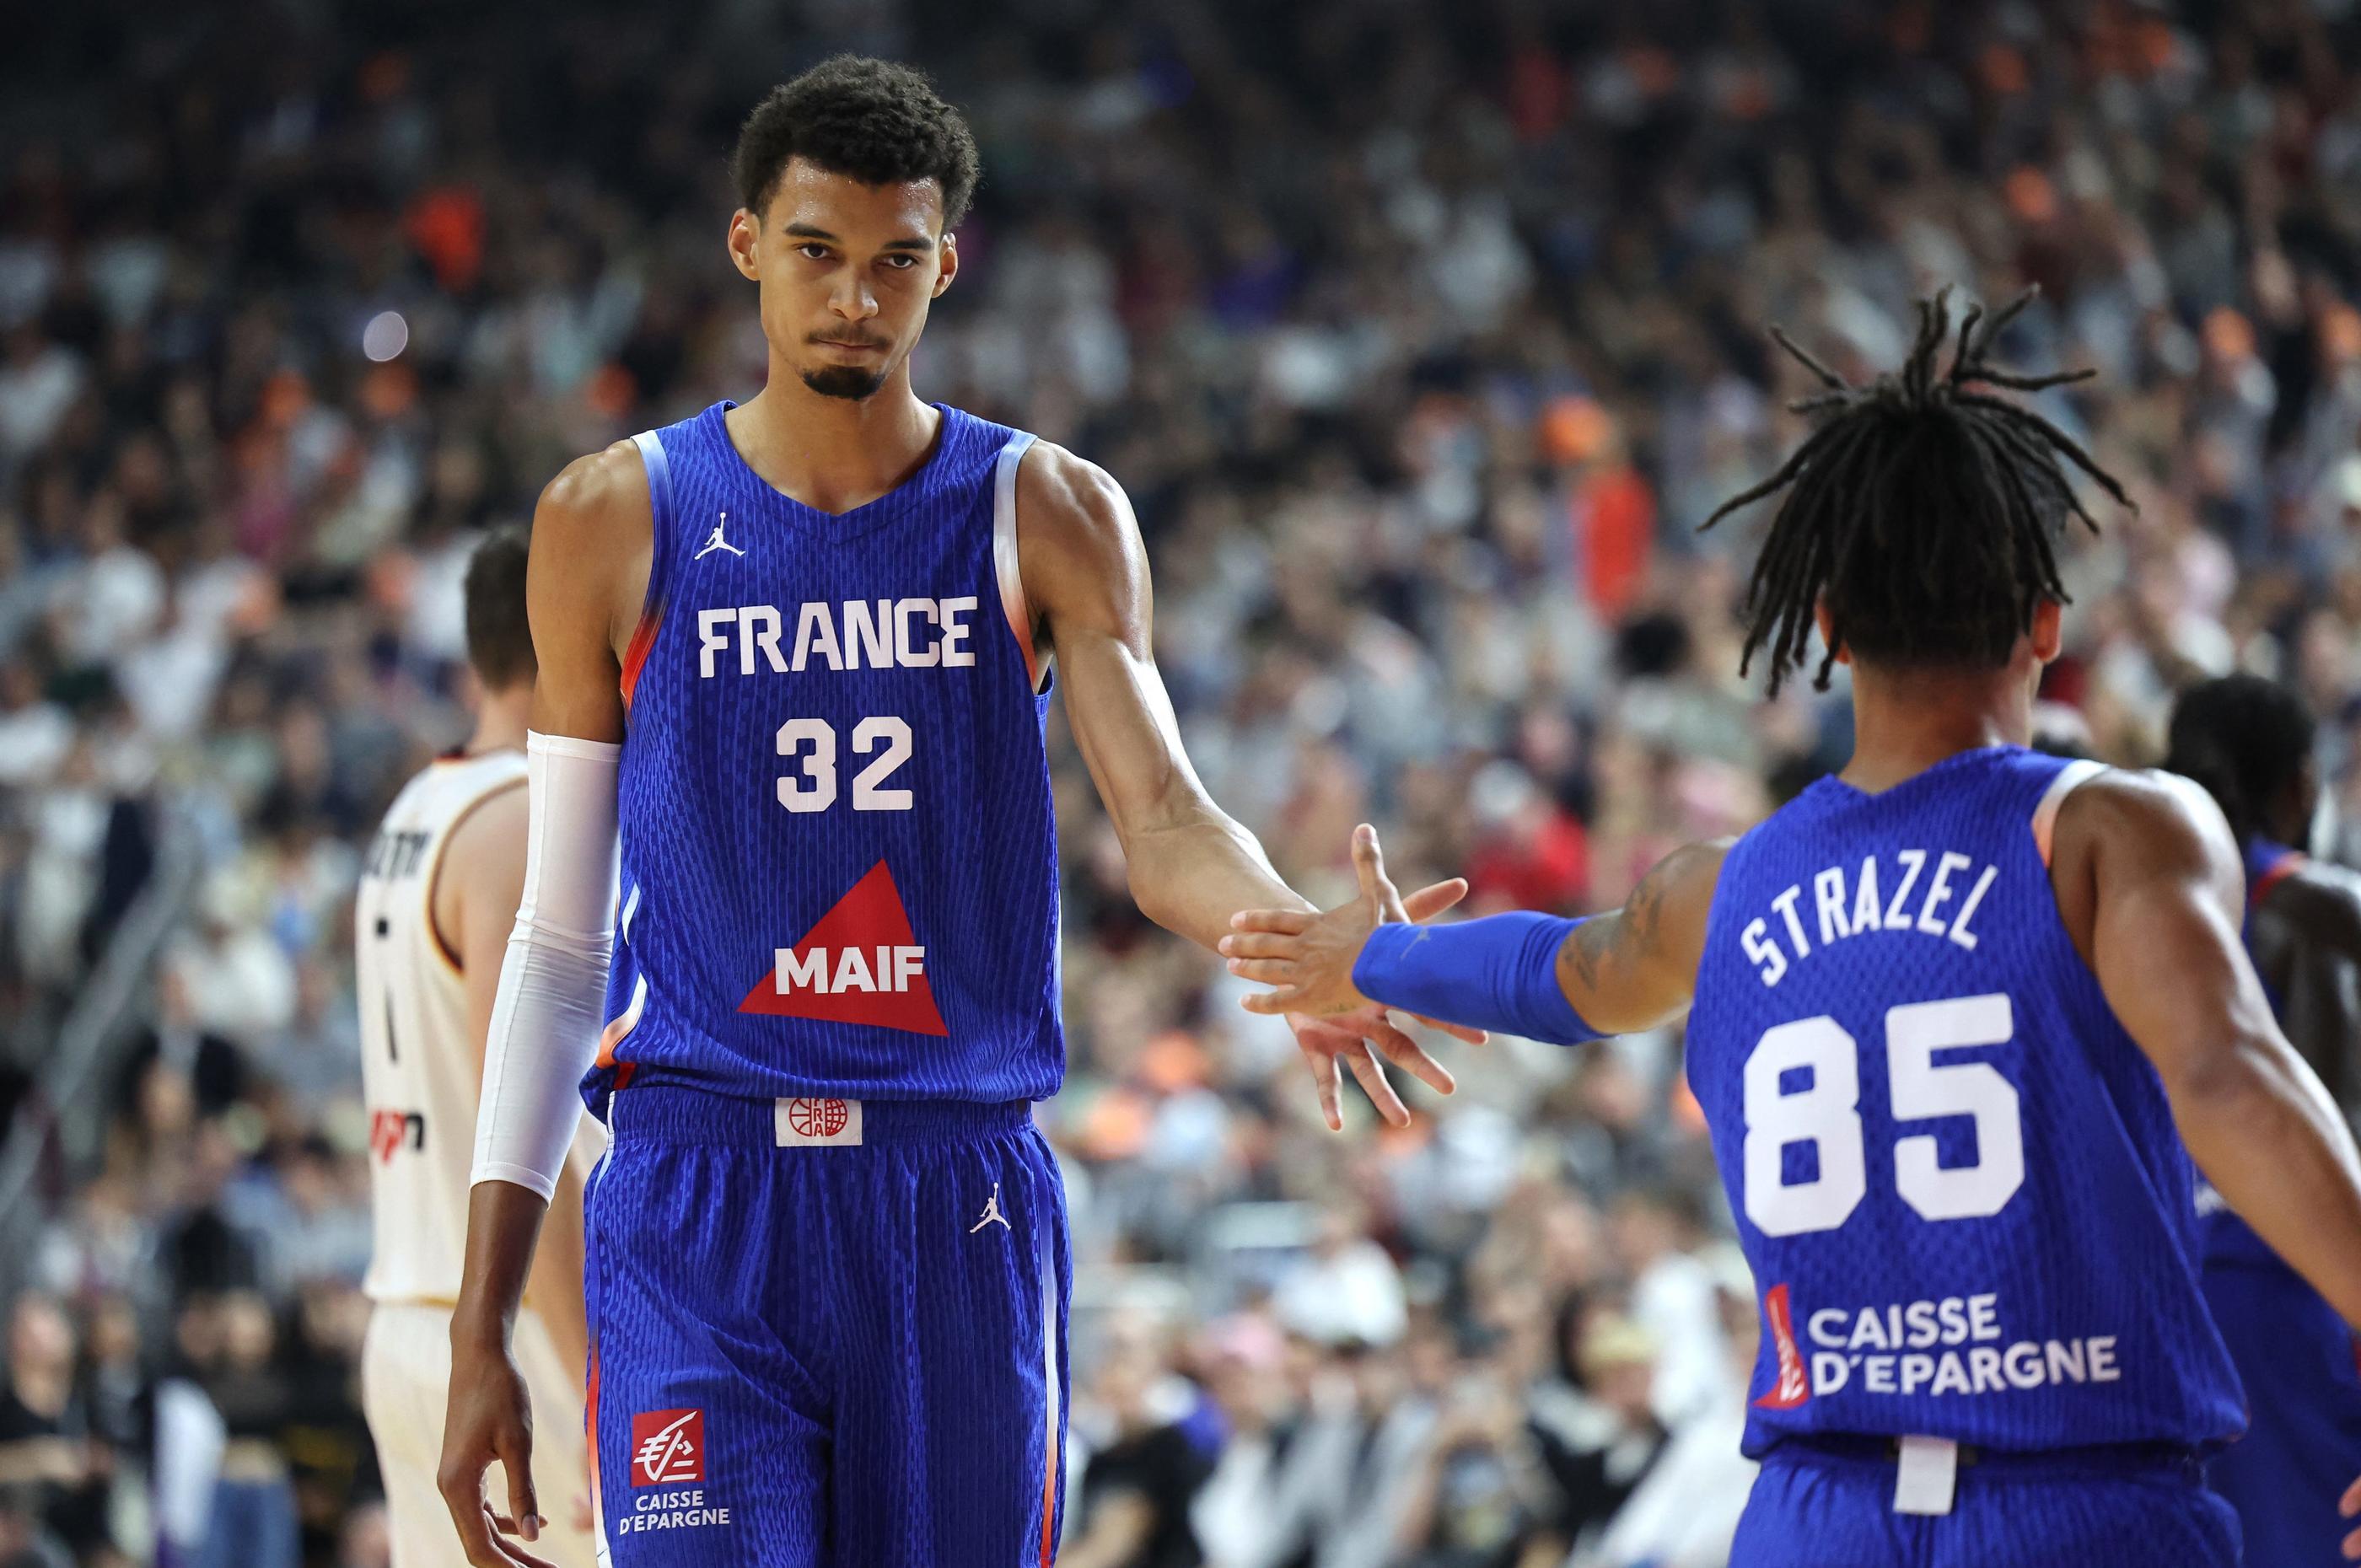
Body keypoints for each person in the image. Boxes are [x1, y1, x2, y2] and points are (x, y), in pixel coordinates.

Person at [435, 56, 1477, 1568]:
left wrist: (1291, 935)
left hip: (952, 1188)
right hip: (698, 1186)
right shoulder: (614, 516)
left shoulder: (1043, 507)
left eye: (894, 261)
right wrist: (485, 1333)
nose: (855, 297)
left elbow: (1167, 814)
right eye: (817, 254)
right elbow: (556, 941)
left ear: (946, 265)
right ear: (748, 249)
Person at [1219, 292, 2361, 1565]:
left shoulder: (1723, 889)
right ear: (2047, 618)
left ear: (1823, 628)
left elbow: (1563, 973)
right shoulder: (2109, 831)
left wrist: (1380, 956)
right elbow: (2227, 1077)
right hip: (2081, 1505)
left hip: (1816, 1518)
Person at [355, 529, 595, 1566]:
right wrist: (595, 1379)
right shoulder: (521, 821)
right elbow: (525, 1114)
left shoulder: (418, 806)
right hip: (507, 1334)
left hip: (408, 1324)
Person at [2167, 674, 2361, 1566]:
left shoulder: (2108, 890)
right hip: (2283, 1282)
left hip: (2151, 1291)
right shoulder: (2306, 908)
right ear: (2297, 786)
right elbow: (2333, 1120)